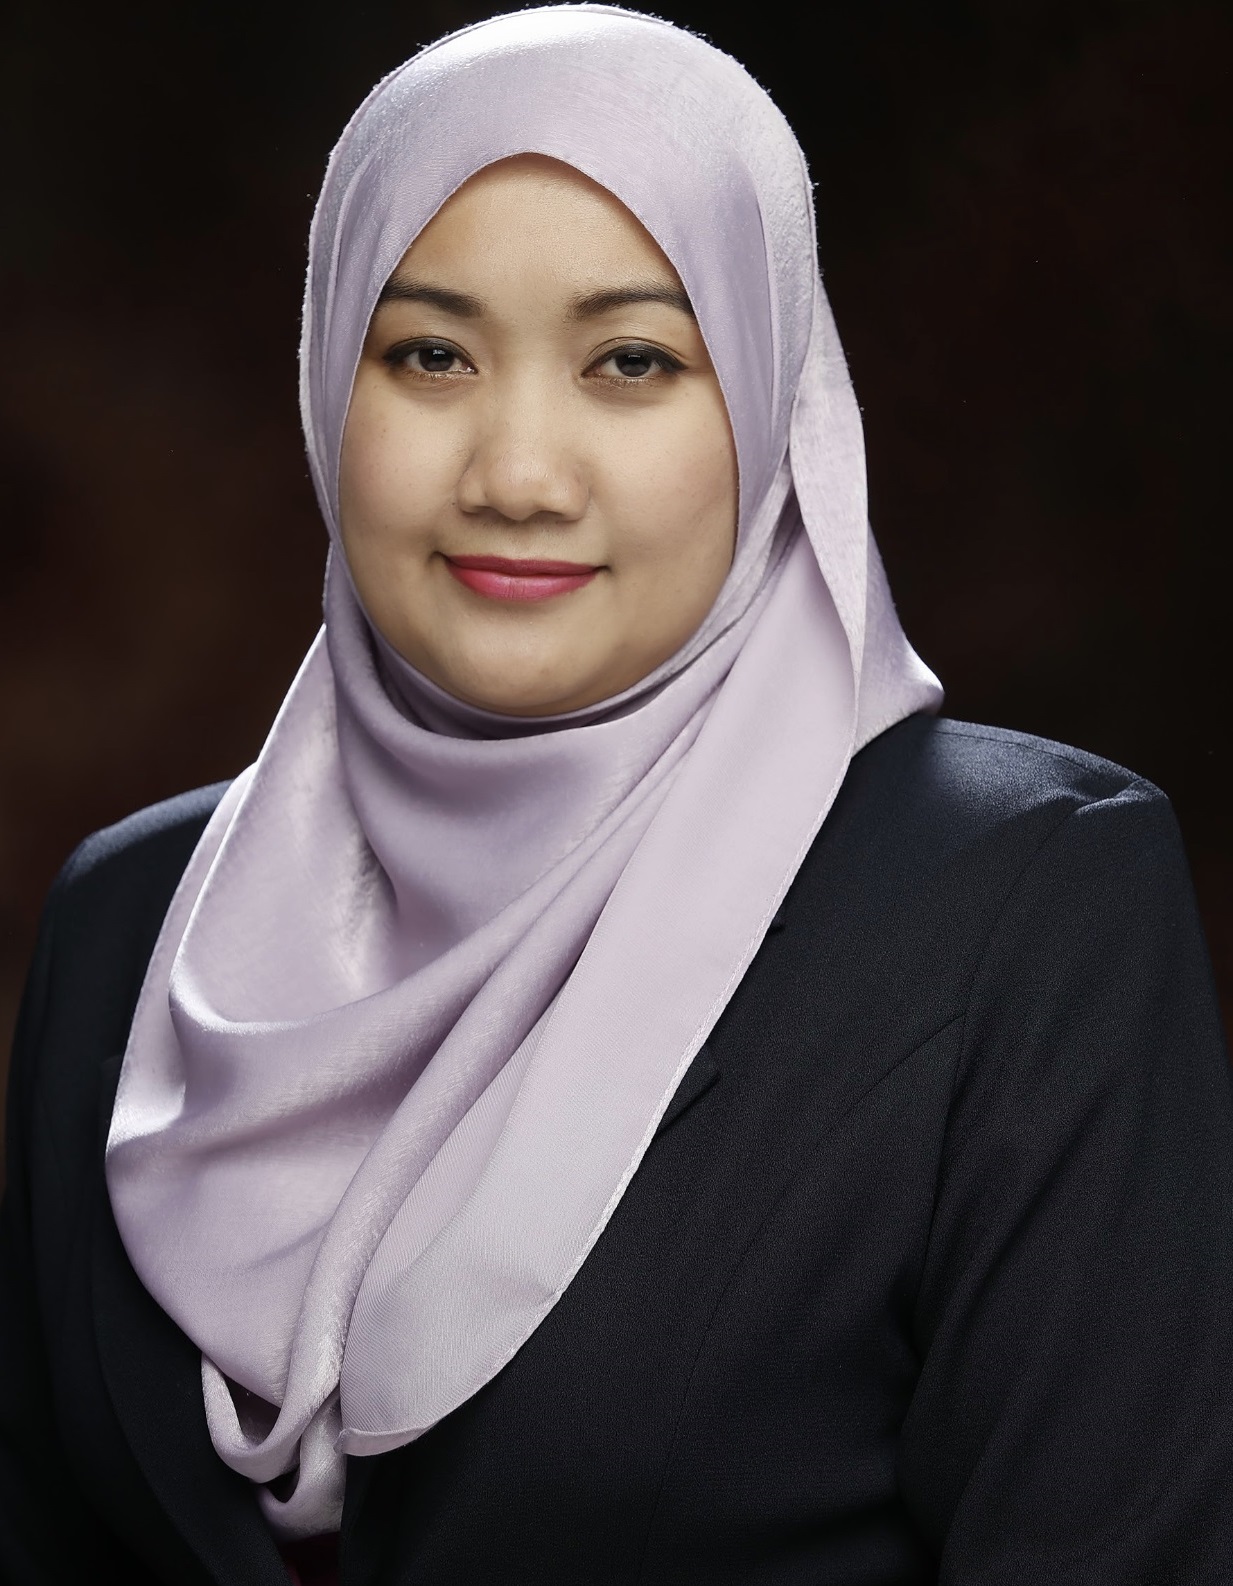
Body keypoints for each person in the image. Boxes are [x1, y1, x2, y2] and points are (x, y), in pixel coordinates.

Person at [2, 7, 1231, 1584]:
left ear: (771, 403)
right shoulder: (127, 920)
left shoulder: (1022, 905)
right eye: (428, 354)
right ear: (326, 382)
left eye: (632, 361)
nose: (517, 473)